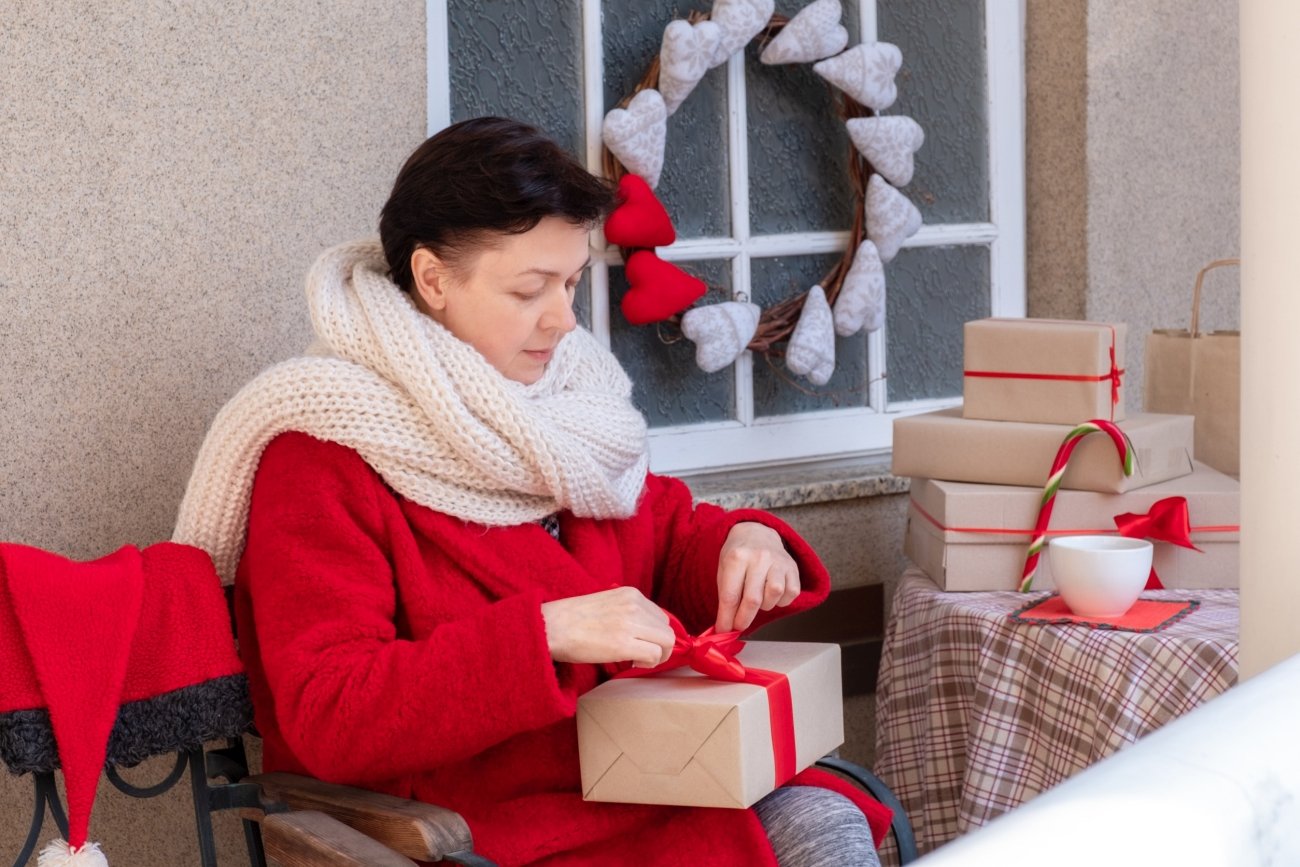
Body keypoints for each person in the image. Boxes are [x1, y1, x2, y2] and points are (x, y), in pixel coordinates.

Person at [175, 117, 887, 866]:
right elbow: (330, 711)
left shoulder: (567, 404)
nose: (564, 318)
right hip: (482, 831)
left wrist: (741, 544)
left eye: (573, 281)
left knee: (823, 822)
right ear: (433, 278)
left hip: (646, 777)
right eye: (529, 289)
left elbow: (663, 533)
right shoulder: (324, 455)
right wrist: (542, 634)